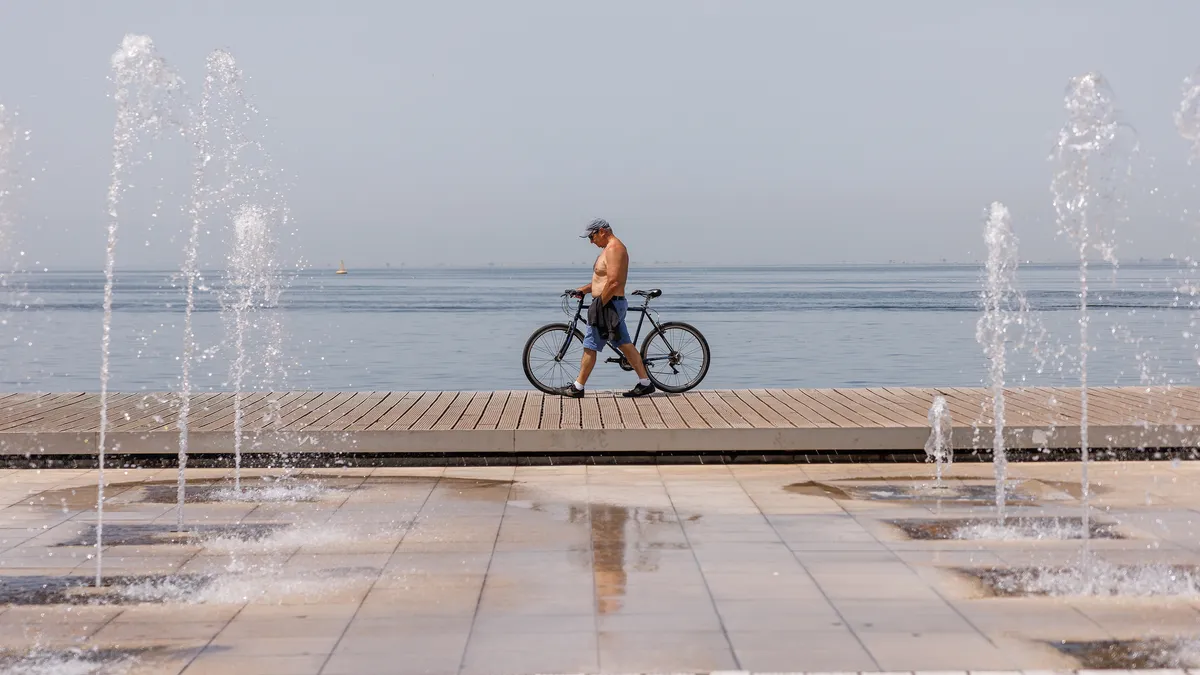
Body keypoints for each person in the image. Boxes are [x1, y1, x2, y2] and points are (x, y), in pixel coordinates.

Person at [557, 219, 656, 398]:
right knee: (624, 344)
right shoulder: (606, 250)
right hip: (609, 302)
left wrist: (599, 304)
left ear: (602, 231)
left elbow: (614, 282)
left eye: (592, 236)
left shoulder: (614, 249)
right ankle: (645, 383)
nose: (591, 241)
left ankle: (577, 387)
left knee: (590, 345)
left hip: (609, 303)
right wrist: (582, 290)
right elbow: (600, 281)